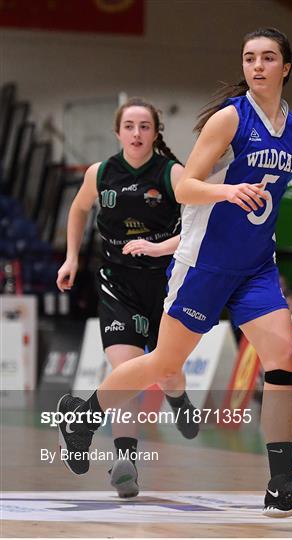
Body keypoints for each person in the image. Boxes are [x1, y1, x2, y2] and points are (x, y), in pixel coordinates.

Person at [57, 28, 292, 517]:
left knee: (283, 356)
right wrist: (228, 192)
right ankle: (83, 415)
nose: (257, 66)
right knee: (163, 364)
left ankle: (281, 483)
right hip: (206, 261)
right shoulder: (228, 120)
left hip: (256, 265)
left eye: (267, 58)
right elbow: (185, 187)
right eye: (249, 58)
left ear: (287, 67)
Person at [56, 97, 198, 498]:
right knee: (126, 371)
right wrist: (70, 258)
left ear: (155, 133)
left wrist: (157, 248)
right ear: (118, 132)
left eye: (144, 126)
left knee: (167, 371)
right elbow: (79, 209)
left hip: (166, 281)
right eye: (130, 126)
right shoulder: (100, 173)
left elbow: (195, 228)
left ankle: (179, 396)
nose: (137, 133)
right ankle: (125, 462)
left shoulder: (172, 174)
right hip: (118, 283)